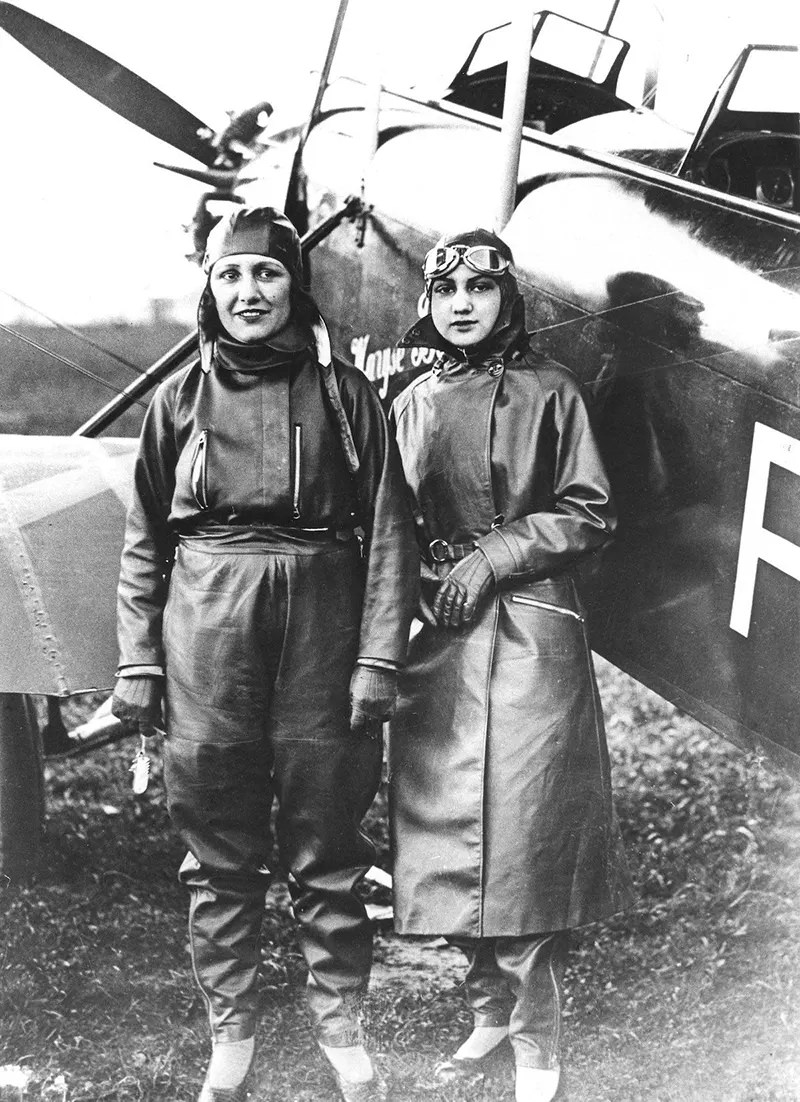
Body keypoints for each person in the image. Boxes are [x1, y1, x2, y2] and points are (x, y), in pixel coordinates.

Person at [111, 206, 417, 1102]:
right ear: (209, 288)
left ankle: (343, 1031)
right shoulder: (177, 400)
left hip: (324, 619)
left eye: (268, 275)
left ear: (296, 287)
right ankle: (231, 1036)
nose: (250, 293)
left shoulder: (348, 397)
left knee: (329, 836)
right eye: (231, 276)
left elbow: (390, 537)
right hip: (208, 626)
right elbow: (143, 543)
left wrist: (377, 660)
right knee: (218, 843)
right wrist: (140, 662)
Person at [389, 228, 631, 1102]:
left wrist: (494, 557)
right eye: (445, 288)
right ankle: (488, 1003)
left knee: (522, 838)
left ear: (509, 299)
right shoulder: (411, 401)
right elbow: (393, 522)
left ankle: (537, 1040)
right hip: (443, 638)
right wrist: (423, 578)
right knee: (446, 831)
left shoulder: (551, 392)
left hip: (533, 631)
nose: (462, 304)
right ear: (427, 301)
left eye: (481, 289)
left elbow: (589, 510)